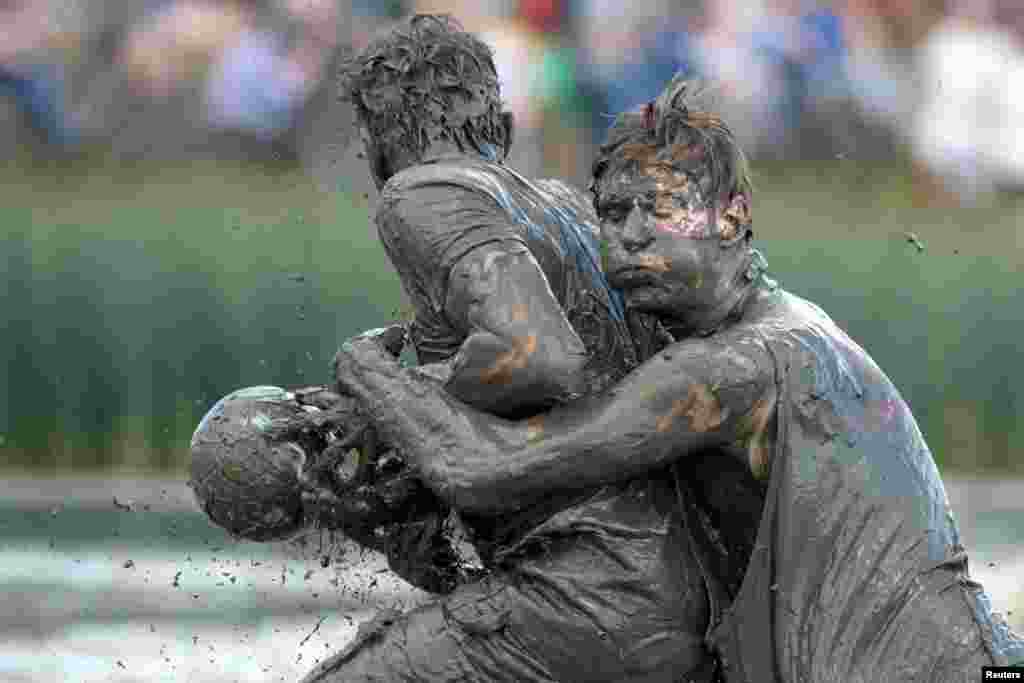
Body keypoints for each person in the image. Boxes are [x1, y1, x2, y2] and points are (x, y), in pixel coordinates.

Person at [330, 74, 1024, 681]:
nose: (628, 234)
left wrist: (363, 370)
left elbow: (474, 465)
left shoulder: (725, 371)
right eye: (610, 212)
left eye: (658, 208)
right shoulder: (776, 325)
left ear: (732, 217)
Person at [300, 15, 714, 683]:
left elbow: (541, 353)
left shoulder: (420, 194)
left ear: (375, 134)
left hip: (584, 592)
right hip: (673, 600)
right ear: (498, 118)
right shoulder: (570, 210)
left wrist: (379, 386)